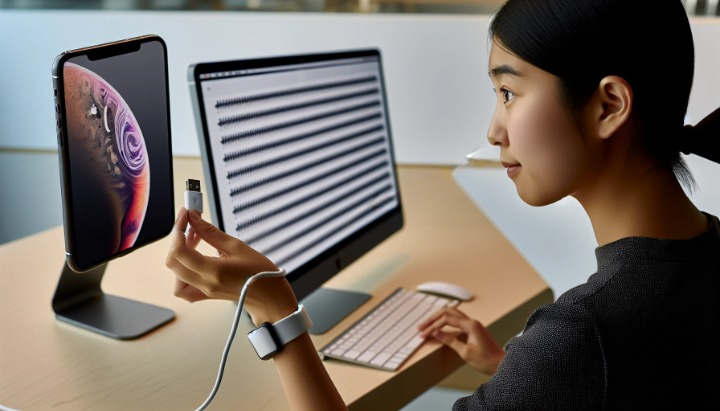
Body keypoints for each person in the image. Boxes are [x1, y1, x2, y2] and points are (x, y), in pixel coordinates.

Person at [165, 0, 720, 409]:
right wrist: (514, 374)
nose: (494, 128)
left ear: (609, 106)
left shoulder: (582, 336)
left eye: (508, 92)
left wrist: (275, 312)